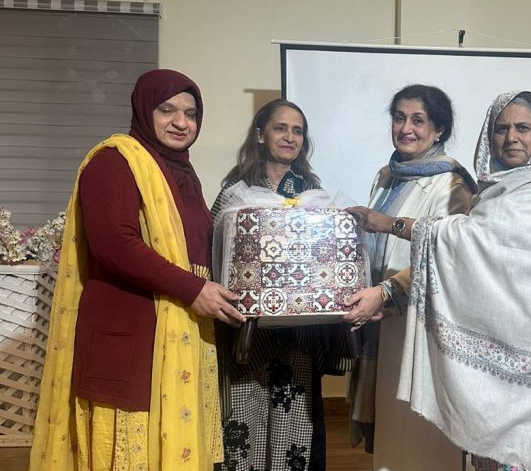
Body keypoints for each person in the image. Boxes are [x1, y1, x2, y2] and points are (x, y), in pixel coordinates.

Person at [347, 90, 531, 470]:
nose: (511, 137)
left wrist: (389, 231)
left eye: (523, 128)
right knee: (491, 447)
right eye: (501, 128)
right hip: (501, 342)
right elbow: (480, 257)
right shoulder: (494, 190)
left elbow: (473, 240)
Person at [30, 69, 245, 471]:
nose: (181, 122)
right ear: (144, 110)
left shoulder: (182, 173)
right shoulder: (114, 161)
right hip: (131, 333)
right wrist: (194, 289)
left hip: (181, 330)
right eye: (167, 110)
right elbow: (113, 243)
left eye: (191, 113)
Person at [211, 99, 352, 471]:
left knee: (296, 426)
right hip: (247, 333)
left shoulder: (314, 194)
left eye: (297, 131)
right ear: (261, 135)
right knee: (245, 419)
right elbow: (214, 254)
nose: (290, 137)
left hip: (300, 334)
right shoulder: (235, 193)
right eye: (280, 128)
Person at [342, 84, 477, 470]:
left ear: (439, 129)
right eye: (399, 118)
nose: (406, 128)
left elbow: (449, 255)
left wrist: (388, 291)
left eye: (418, 120)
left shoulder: (452, 183)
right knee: (391, 436)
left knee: (421, 436)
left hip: (422, 323)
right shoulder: (386, 176)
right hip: (380, 320)